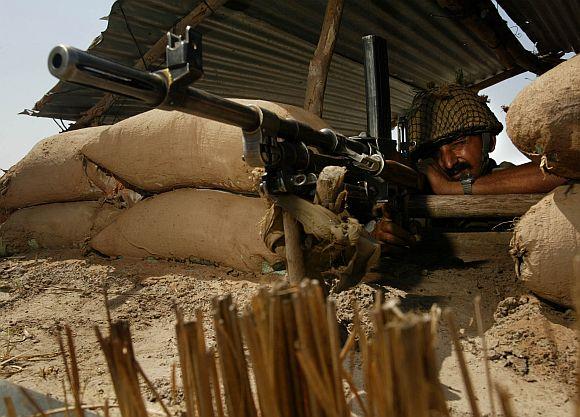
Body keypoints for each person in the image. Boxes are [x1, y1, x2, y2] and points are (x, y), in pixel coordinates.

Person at [372, 84, 567, 251]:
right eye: (434, 153)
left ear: (489, 142)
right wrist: (381, 238)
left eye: (459, 143)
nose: (448, 162)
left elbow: (561, 170)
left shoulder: (510, 177)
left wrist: (453, 189)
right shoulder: (418, 193)